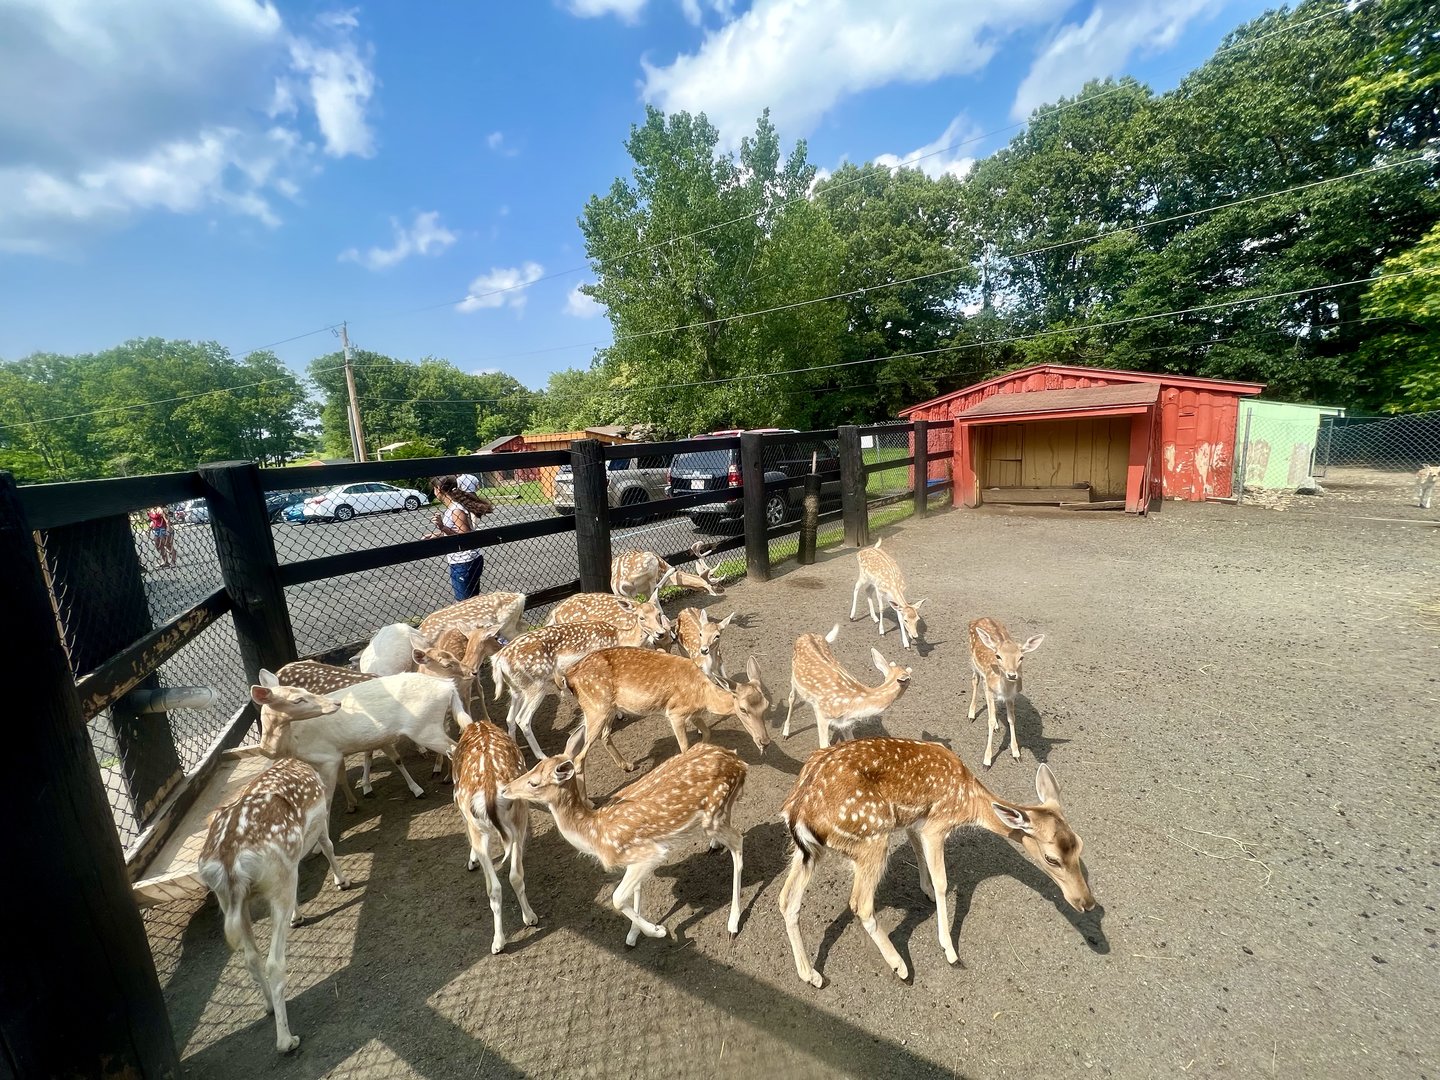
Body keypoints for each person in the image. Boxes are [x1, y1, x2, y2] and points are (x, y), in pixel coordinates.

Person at [426, 475, 494, 600]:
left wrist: (442, 527)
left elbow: (465, 536)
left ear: (438, 489)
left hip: (464, 562)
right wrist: (438, 534)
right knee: (471, 601)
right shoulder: (454, 507)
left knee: (465, 603)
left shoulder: (456, 510)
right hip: (465, 561)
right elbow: (458, 530)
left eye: (434, 489)